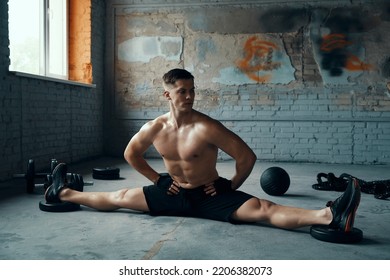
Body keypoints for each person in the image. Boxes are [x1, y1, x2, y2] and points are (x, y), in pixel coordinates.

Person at [45, 68, 361, 231]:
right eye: (182, 91)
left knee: (263, 211)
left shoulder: (206, 127)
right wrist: (158, 180)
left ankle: (328, 216)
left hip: (210, 195)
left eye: (192, 90)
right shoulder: (155, 127)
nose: (189, 96)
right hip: (173, 193)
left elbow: (246, 157)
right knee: (119, 198)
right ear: (167, 95)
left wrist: (229, 184)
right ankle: (62, 193)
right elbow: (131, 155)